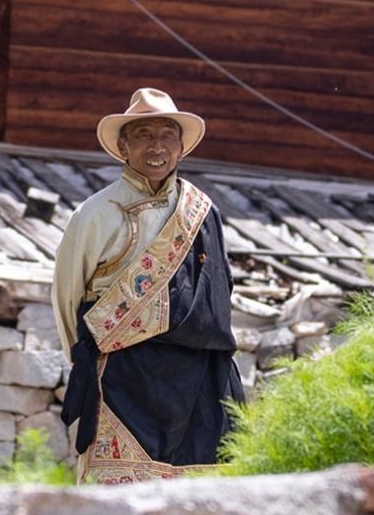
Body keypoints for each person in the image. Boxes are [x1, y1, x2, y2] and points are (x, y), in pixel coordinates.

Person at [52, 88, 244, 483]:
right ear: (123, 147)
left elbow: (216, 299)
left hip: (198, 383)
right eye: (143, 135)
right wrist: (86, 364)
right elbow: (67, 298)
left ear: (181, 148)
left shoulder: (202, 211)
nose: (157, 147)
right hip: (124, 379)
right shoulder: (94, 214)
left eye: (167, 136)